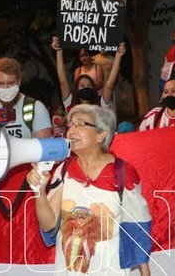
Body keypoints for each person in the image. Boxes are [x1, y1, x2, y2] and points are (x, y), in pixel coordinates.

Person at [26, 104, 152, 275]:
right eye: (70, 125)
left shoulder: (122, 173)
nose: (71, 131)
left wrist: (145, 270)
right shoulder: (64, 170)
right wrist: (39, 192)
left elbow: (137, 227)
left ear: (101, 135)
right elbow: (48, 224)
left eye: (81, 124)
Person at [0, 57, 52, 138]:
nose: (6, 88)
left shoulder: (36, 109)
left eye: (10, 83)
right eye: (1, 83)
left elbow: (43, 148)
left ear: (19, 82)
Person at [53, 36, 124, 112]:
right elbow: (62, 81)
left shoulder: (101, 107)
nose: (86, 88)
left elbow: (109, 85)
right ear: (77, 88)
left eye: (89, 85)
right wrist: (59, 51)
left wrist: (118, 56)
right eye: (82, 85)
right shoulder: (71, 107)